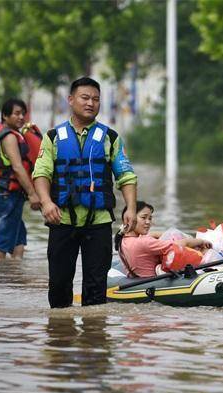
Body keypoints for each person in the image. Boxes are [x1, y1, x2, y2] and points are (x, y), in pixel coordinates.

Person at [33, 76, 138, 308]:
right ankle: (61, 336)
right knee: (59, 287)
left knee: (96, 289)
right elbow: (41, 173)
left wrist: (131, 207)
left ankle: (94, 340)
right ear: (71, 100)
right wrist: (46, 202)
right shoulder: (53, 137)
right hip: (62, 219)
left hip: (98, 222)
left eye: (96, 99)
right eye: (85, 97)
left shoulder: (110, 138)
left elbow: (126, 175)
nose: (91, 103)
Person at [0, 98, 41, 260]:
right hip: (5, 195)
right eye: (16, 114)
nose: (21, 117)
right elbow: (17, 167)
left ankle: (14, 277)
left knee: (19, 240)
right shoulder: (9, 138)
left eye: (23, 113)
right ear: (5, 115)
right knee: (2, 243)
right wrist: (32, 194)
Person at [115, 201, 212, 278]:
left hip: (136, 278)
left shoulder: (122, 240)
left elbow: (151, 235)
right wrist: (201, 241)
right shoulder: (144, 242)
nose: (148, 222)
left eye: (150, 218)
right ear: (129, 219)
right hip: (154, 282)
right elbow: (180, 245)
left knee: (171, 235)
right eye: (144, 217)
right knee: (177, 239)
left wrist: (160, 235)